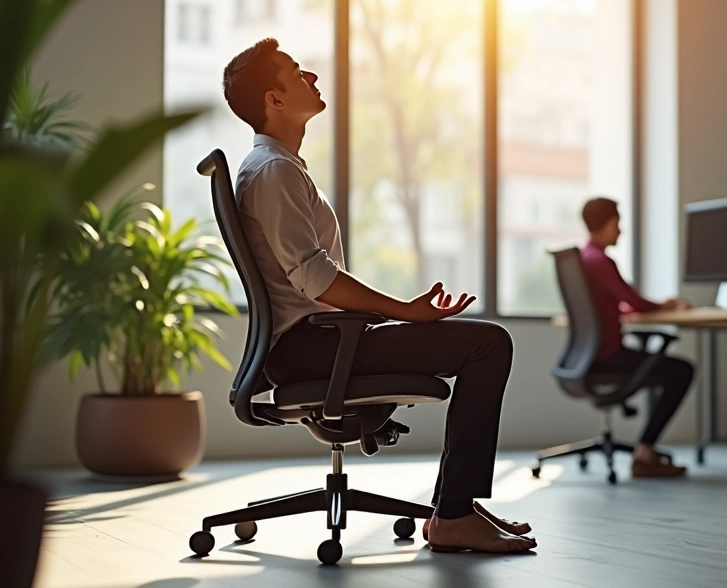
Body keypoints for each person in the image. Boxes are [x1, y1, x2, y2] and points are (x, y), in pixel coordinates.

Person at [224, 38, 534, 554]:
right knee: (489, 344)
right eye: (298, 74)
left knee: (479, 342)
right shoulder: (273, 170)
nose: (314, 79)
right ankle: (454, 513)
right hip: (311, 348)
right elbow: (314, 277)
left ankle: (454, 508)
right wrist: (402, 312)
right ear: (273, 100)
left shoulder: (277, 167)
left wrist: (398, 317)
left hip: (316, 341)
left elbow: (313, 278)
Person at [578, 197, 695, 478]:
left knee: (667, 369)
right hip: (609, 356)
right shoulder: (601, 260)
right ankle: (645, 451)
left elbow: (619, 302)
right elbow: (635, 301)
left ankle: (647, 451)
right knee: (682, 371)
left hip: (586, 355)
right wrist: (667, 305)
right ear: (608, 223)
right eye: (618, 222)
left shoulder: (584, 257)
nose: (620, 230)